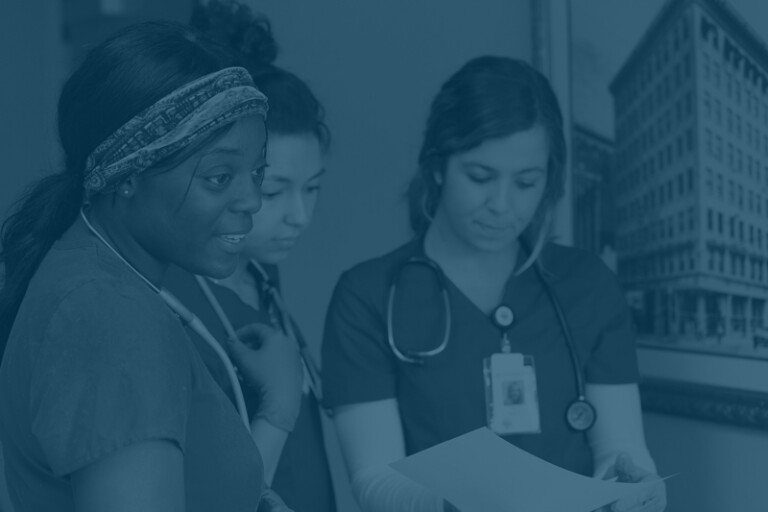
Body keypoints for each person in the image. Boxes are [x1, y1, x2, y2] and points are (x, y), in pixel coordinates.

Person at [321, 56, 667, 512]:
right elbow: (374, 480)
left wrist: (639, 490)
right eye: (480, 177)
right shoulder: (368, 296)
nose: (502, 205)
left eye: (526, 182)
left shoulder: (588, 285)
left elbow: (619, 450)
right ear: (438, 166)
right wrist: (458, 504)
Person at [0, 21, 304, 512]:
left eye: (257, 173)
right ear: (127, 176)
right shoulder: (109, 315)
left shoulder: (98, 281)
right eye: (219, 176)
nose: (252, 200)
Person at [161, 2, 335, 511]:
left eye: (312, 188)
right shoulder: (170, 301)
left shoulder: (262, 273)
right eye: (275, 191)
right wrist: (278, 407)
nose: (300, 215)